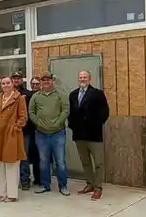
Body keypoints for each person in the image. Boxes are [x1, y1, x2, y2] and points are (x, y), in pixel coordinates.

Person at [68, 70, 110, 200]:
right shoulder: (73, 94)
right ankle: (90, 184)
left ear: (89, 79)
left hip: (93, 134)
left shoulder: (97, 94)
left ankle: (98, 188)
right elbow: (72, 112)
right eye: (80, 77)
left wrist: (95, 124)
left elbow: (105, 112)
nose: (82, 79)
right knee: (85, 162)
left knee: (98, 163)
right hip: (79, 135)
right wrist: (72, 125)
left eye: (85, 77)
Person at [0, 76, 28, 202]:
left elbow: (23, 117)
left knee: (11, 165)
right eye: (3, 83)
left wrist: (15, 128)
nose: (6, 85)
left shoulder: (19, 98)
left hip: (11, 135)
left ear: (12, 84)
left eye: (8, 83)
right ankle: (1, 192)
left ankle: (12, 194)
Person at [29, 71, 70, 196]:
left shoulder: (60, 95)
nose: (46, 82)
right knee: (43, 161)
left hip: (58, 133)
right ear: (41, 82)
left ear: (52, 81)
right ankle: (45, 185)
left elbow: (66, 110)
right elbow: (31, 111)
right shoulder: (36, 96)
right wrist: (38, 123)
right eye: (44, 80)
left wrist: (58, 123)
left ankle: (63, 186)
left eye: (48, 79)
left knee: (60, 162)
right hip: (41, 134)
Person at [11, 71, 36, 191]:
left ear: (22, 80)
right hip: (11, 131)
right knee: (12, 157)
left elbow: (31, 112)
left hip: (25, 131)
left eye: (18, 78)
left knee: (24, 156)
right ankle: (13, 181)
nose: (16, 80)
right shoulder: (7, 93)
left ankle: (25, 180)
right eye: (14, 78)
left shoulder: (28, 94)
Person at [27, 76, 42, 185]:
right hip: (29, 130)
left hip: (41, 130)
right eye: (33, 84)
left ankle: (40, 178)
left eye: (37, 84)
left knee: (41, 155)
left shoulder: (43, 96)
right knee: (29, 155)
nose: (35, 86)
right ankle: (28, 178)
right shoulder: (27, 96)